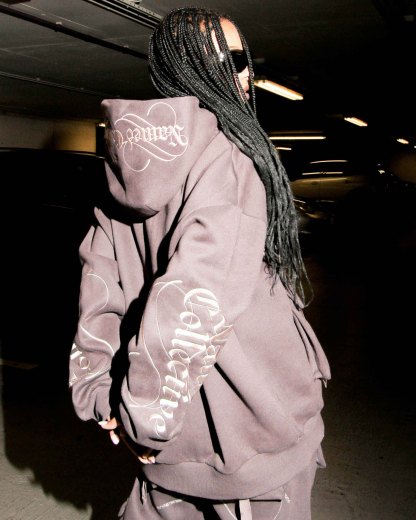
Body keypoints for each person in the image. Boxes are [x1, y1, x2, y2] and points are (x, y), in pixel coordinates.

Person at [69, 6, 331, 519]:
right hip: (253, 431)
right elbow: (195, 298)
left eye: (242, 57)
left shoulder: (121, 171)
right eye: (233, 60)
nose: (244, 72)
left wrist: (101, 393)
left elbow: (99, 291)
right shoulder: (230, 158)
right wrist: (147, 417)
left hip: (174, 439)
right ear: (186, 67)